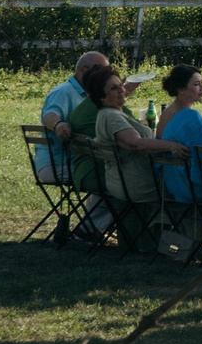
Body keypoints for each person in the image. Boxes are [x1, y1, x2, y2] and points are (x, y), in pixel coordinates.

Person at [78, 65, 190, 235]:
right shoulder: (111, 116)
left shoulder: (108, 113)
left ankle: (167, 236)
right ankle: (193, 242)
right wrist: (171, 145)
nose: (122, 90)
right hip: (139, 183)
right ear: (101, 95)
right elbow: (136, 143)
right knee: (194, 190)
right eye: (114, 88)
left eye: (120, 85)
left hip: (121, 181)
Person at [36, 51, 108, 182]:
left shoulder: (85, 93)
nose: (105, 77)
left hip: (76, 160)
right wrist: (59, 125)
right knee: (117, 174)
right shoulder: (64, 92)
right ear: (83, 70)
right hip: (58, 164)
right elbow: (50, 115)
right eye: (101, 72)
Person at [155, 65, 202, 203]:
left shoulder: (166, 112)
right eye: (196, 84)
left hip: (170, 182)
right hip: (190, 186)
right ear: (181, 89)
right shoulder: (191, 117)